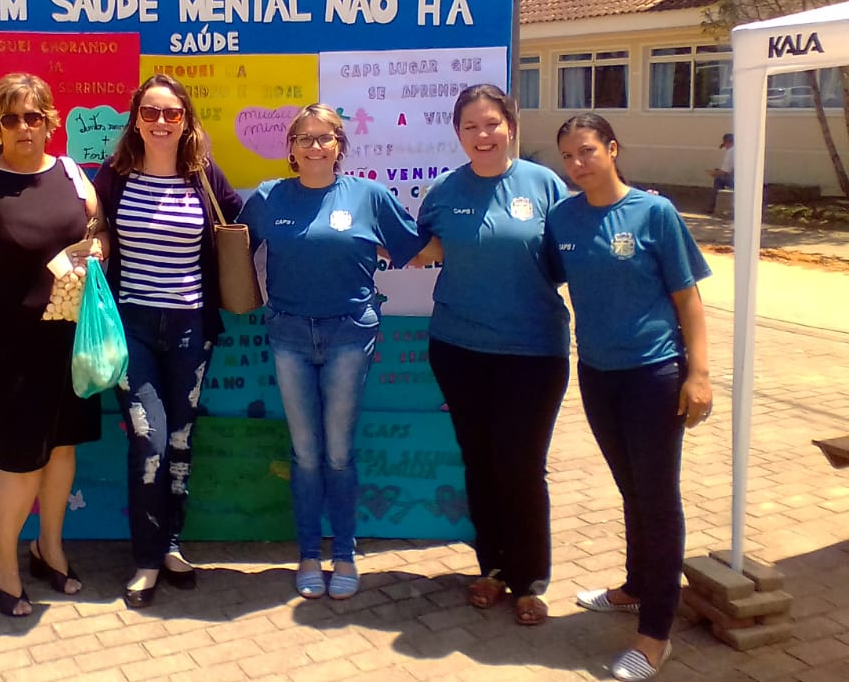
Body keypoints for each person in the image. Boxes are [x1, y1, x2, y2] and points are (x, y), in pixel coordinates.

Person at [548, 113, 712, 682]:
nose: (577, 165)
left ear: (613, 149)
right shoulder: (563, 218)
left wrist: (700, 373)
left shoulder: (653, 212)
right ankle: (636, 587)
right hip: (597, 373)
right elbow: (538, 272)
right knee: (630, 488)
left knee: (657, 497)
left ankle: (655, 636)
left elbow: (687, 298)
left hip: (654, 374)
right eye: (567, 157)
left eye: (587, 152)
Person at [238, 103, 420, 601]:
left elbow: (413, 248)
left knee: (338, 454)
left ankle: (343, 552)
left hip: (349, 334)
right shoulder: (269, 197)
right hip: (289, 333)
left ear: (340, 145)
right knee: (305, 454)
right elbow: (231, 249)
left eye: (325, 137)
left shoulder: (369, 195)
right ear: (291, 149)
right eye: (304, 138)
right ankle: (306, 555)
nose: (314, 146)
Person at [0, 73, 104, 618]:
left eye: (34, 116)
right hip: (9, 351)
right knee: (20, 463)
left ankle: (48, 549)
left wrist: (97, 247)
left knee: (61, 451)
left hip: (70, 342)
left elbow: (97, 230)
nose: (23, 128)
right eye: (10, 118)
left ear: (51, 121)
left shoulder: (75, 175)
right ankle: (2, 565)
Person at [412, 83, 570, 627]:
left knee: (522, 466)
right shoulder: (442, 192)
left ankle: (530, 579)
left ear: (511, 126)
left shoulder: (544, 184)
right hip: (458, 348)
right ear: (458, 134)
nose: (482, 135)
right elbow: (425, 249)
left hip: (533, 352)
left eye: (491, 124)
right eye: (470, 127)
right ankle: (493, 569)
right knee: (480, 462)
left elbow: (572, 258)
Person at [92, 74, 243, 609]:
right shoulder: (113, 177)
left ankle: (172, 545)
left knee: (180, 441)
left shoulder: (204, 177)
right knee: (148, 443)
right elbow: (92, 228)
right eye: (150, 113)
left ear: (186, 120)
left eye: (171, 114)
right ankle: (146, 560)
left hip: (190, 331)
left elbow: (240, 227)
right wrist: (99, 241)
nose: (160, 122)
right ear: (135, 118)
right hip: (131, 328)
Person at [706, 132, 734, 214]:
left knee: (718, 180)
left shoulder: (730, 151)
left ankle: (712, 206)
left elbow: (726, 171)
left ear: (727, 143)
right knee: (719, 176)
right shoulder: (739, 149)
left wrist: (714, 173)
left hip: (734, 178)